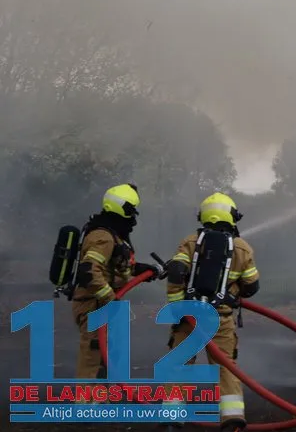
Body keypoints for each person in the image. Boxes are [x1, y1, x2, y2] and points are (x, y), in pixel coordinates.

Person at [163, 192, 260, 432]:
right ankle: (232, 420)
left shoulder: (190, 242)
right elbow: (251, 286)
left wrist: (178, 309)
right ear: (232, 216)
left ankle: (171, 419)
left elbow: (176, 273)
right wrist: (232, 292)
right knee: (225, 368)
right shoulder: (242, 248)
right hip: (220, 319)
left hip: (189, 318)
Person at [72, 183, 163, 396]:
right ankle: (86, 405)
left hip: (102, 305)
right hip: (94, 305)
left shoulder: (112, 234)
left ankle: (99, 400)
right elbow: (89, 271)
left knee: (106, 358)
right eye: (131, 211)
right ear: (123, 208)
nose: (133, 218)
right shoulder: (103, 236)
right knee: (93, 357)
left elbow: (117, 268)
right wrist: (110, 298)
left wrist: (145, 270)